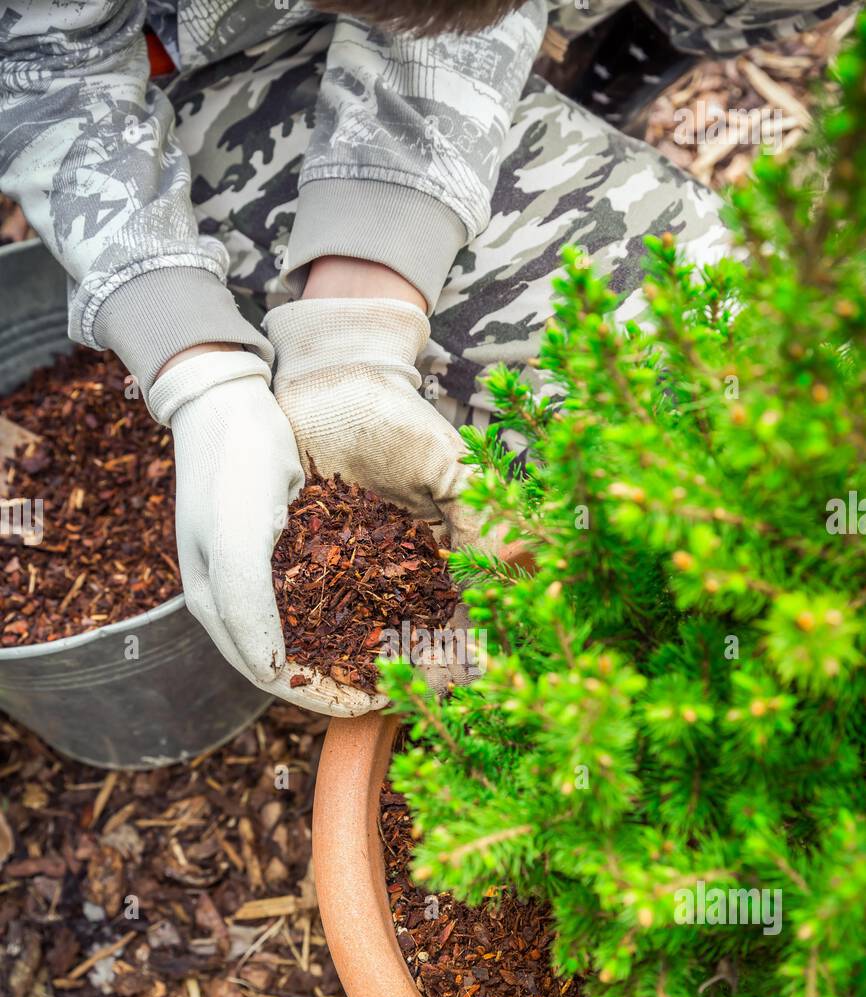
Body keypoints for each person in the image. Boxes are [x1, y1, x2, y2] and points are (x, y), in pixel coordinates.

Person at [0, 0, 844, 712]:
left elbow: (456, 22)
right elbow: (41, 64)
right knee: (668, 378)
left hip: (428, 31)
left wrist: (358, 318)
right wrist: (196, 366)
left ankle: (605, 56)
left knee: (768, 400)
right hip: (171, 55)